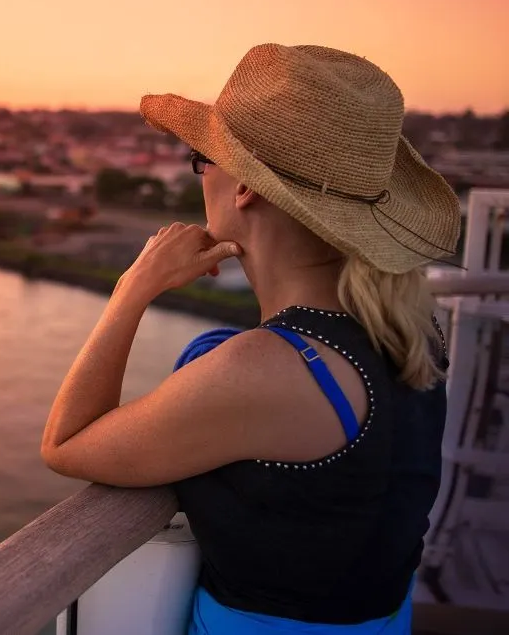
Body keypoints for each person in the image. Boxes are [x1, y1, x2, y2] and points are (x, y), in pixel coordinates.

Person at [40, 43, 461, 634]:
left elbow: (66, 443)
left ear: (245, 190)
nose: (201, 173)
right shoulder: (414, 333)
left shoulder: (265, 370)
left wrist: (132, 291)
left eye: (202, 158)